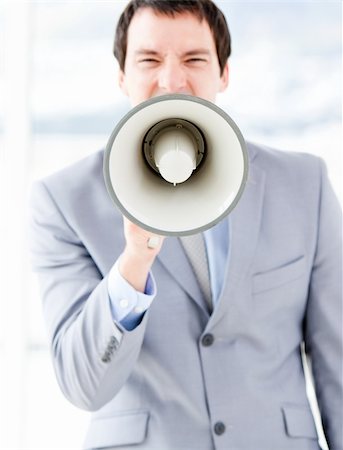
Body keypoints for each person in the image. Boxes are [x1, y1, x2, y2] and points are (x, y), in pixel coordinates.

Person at [29, 1, 342, 449]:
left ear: (224, 73)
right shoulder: (62, 202)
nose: (173, 80)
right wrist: (134, 263)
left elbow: (337, 361)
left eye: (195, 59)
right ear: (122, 77)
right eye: (149, 60)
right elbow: (83, 384)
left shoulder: (304, 185)